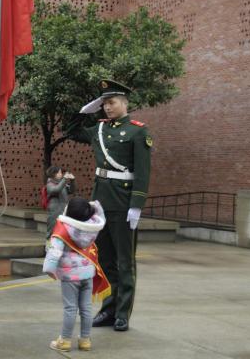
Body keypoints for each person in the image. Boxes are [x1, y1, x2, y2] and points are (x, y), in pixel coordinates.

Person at [65, 79, 152, 332]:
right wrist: (84, 112)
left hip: (124, 203)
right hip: (101, 204)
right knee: (105, 261)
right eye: (104, 104)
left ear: (125, 103)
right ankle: (108, 309)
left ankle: (123, 314)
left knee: (125, 262)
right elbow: (71, 130)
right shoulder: (99, 129)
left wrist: (137, 204)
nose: (107, 108)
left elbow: (144, 172)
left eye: (111, 102)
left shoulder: (138, 131)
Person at [43, 198, 109, 352]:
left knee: (70, 308)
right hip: (87, 274)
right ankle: (85, 340)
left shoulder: (64, 229)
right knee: (86, 308)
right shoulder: (93, 226)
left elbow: (54, 251)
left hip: (70, 276)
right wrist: (95, 205)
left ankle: (65, 340)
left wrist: (49, 269)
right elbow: (101, 216)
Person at [45, 166, 75, 239]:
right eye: (59, 172)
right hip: (54, 211)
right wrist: (64, 179)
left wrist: (72, 181)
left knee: (63, 231)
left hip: (63, 210)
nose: (61, 174)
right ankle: (48, 248)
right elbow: (56, 190)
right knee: (52, 230)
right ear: (53, 174)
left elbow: (71, 190)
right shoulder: (49, 184)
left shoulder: (62, 183)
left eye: (61, 172)